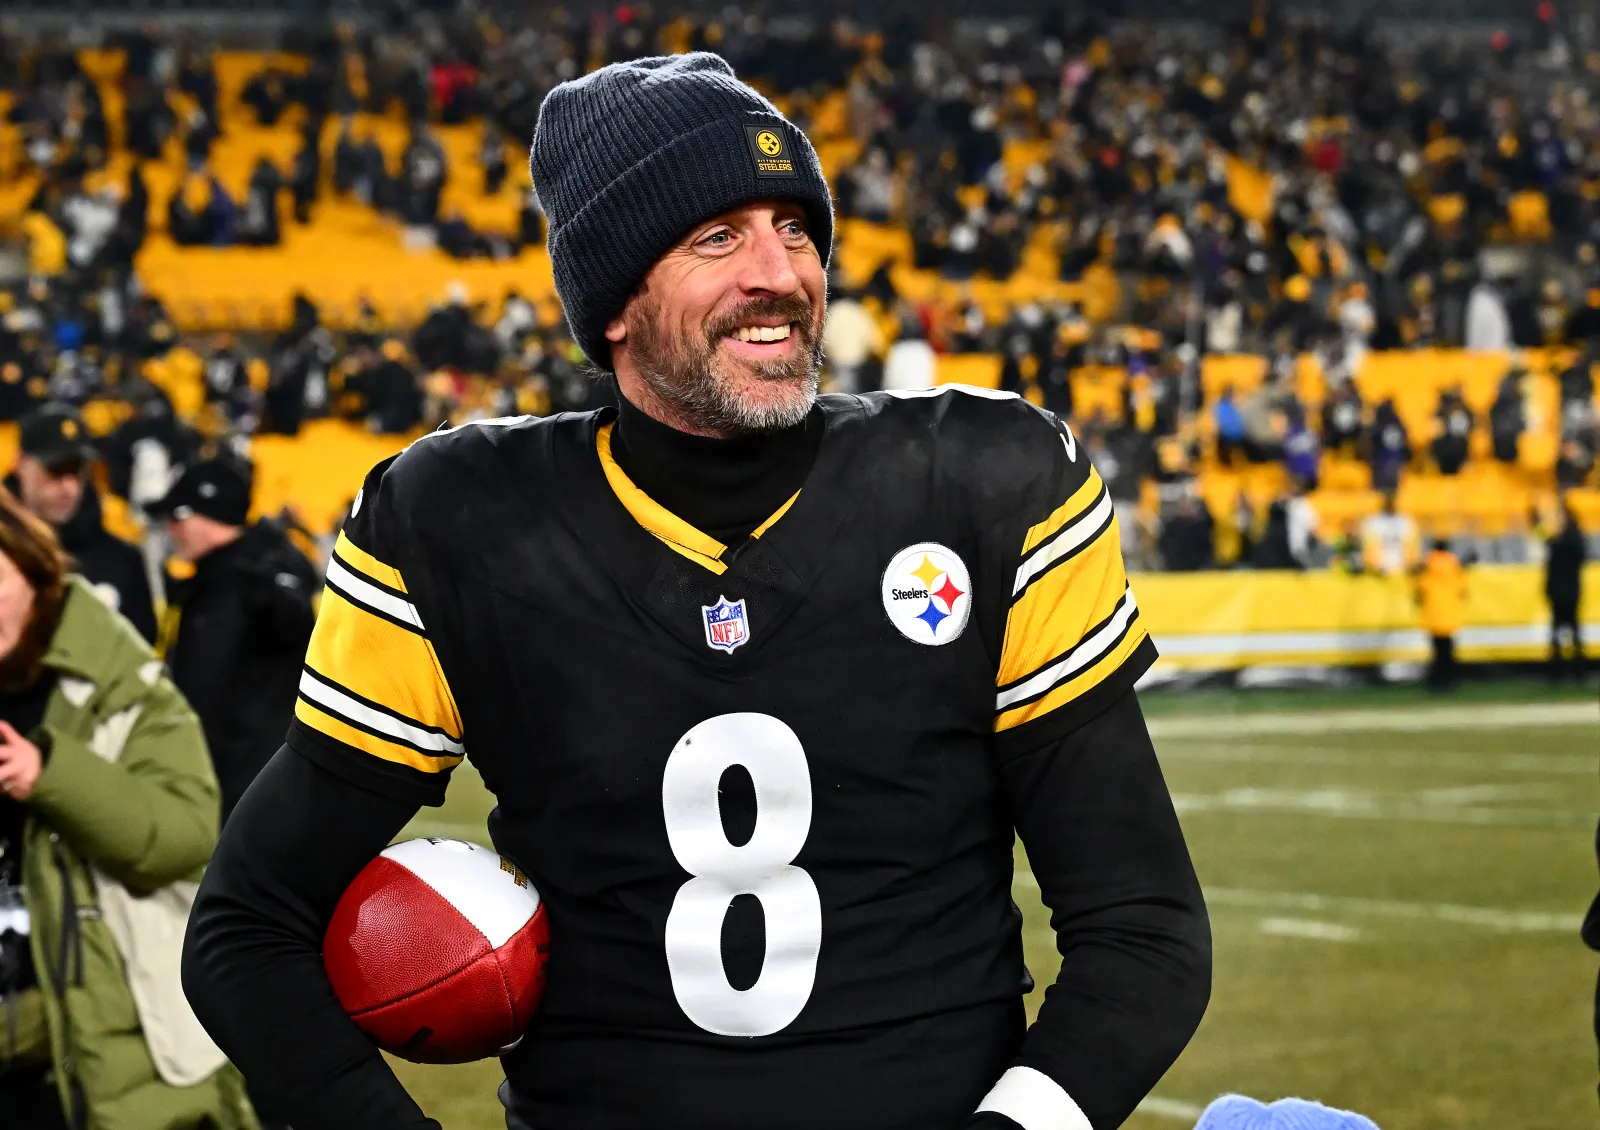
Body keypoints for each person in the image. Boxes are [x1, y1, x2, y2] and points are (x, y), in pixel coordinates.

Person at [183, 53, 1211, 1130]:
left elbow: (1143, 928)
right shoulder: (460, 520)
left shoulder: (983, 483)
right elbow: (248, 926)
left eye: (795, 227)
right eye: (716, 236)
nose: (779, 270)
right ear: (614, 302)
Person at [0, 486, 254, 1130]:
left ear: (34, 570)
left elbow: (185, 832)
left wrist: (49, 775)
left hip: (111, 1039)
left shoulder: (118, 680)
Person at [152, 456, 317, 821]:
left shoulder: (260, 576)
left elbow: (293, 621)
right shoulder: (217, 577)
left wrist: (279, 587)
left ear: (209, 517)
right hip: (217, 778)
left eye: (178, 517)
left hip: (250, 787)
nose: (171, 530)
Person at [8, 404, 157, 643]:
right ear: (21, 463)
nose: (70, 488)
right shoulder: (5, 551)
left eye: (77, 471)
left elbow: (142, 663)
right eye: (55, 471)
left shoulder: (121, 561)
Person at [1416, 539, 1466, 690]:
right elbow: (1463, 589)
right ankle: (1450, 680)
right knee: (1448, 650)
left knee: (1437, 651)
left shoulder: (1427, 566)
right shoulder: (1455, 566)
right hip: (1450, 614)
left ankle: (1436, 681)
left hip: (1433, 613)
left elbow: (1419, 588)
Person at [1545, 504, 1588, 677]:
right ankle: (1569, 669)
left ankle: (1565, 669)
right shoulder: (1571, 538)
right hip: (1566, 589)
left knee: (1565, 630)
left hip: (1565, 590)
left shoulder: (1568, 539)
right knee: (1567, 630)